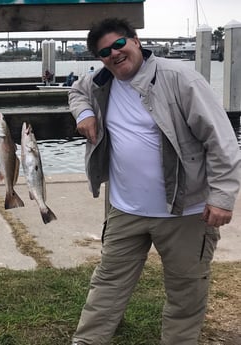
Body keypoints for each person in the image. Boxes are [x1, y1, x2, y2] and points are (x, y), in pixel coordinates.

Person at [68, 18, 240, 345]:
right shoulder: (101, 82)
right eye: (105, 52)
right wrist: (83, 113)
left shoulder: (180, 79)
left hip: (185, 211)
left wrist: (221, 197)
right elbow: (77, 91)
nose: (114, 54)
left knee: (186, 292)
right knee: (107, 285)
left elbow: (221, 141)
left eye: (119, 44)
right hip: (125, 210)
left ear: (135, 40)